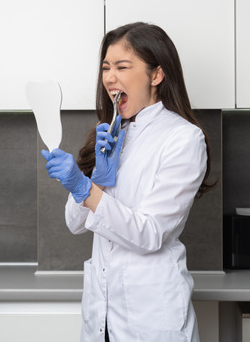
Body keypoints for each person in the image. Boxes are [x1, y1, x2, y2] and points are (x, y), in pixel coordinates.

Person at [42, 22, 214, 342]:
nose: (109, 77)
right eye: (106, 67)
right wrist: (97, 179)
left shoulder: (183, 139)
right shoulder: (110, 132)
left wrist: (85, 189)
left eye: (122, 66)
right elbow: (74, 223)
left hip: (150, 319)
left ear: (156, 75)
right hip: (101, 319)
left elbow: (149, 234)